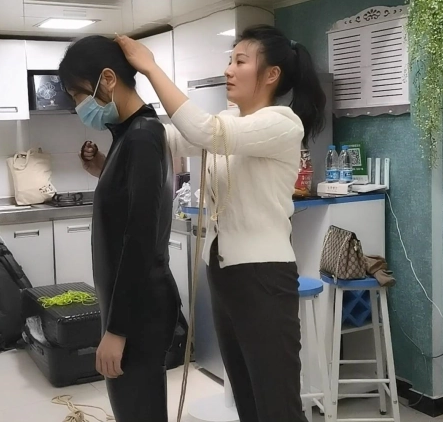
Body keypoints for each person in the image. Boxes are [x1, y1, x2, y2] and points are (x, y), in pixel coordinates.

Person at [113, 25, 327, 422]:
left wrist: (151, 68)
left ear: (271, 74)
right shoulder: (231, 120)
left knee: (277, 405)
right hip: (224, 275)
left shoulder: (281, 123)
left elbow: (206, 132)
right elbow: (169, 139)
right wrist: (118, 111)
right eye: (230, 60)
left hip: (263, 277)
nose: (229, 69)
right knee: (247, 398)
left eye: (240, 61)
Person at [58, 35, 181, 422]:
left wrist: (117, 330)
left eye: (78, 95)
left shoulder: (141, 136)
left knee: (139, 411)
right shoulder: (131, 134)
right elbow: (132, 201)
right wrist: (103, 169)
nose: (78, 106)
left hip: (140, 312)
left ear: (108, 79)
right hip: (134, 306)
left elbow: (139, 239)